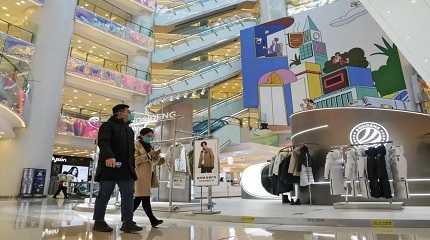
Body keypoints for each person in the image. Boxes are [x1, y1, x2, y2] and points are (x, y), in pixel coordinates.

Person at [93, 104, 142, 233]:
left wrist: (132, 166)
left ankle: (128, 222)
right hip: (110, 166)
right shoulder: (107, 126)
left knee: (128, 195)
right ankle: (99, 222)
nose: (130, 114)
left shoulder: (129, 130)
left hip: (126, 169)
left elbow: (131, 151)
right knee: (104, 195)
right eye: (128, 111)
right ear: (119, 113)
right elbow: (103, 142)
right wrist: (109, 156)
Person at [133, 128, 164, 228]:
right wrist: (149, 155)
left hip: (147, 175)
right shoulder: (136, 144)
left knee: (139, 198)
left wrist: (156, 155)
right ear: (142, 135)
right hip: (139, 175)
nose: (150, 138)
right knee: (144, 197)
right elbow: (135, 160)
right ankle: (152, 220)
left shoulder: (149, 145)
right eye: (148, 136)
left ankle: (126, 216)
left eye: (151, 136)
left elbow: (152, 162)